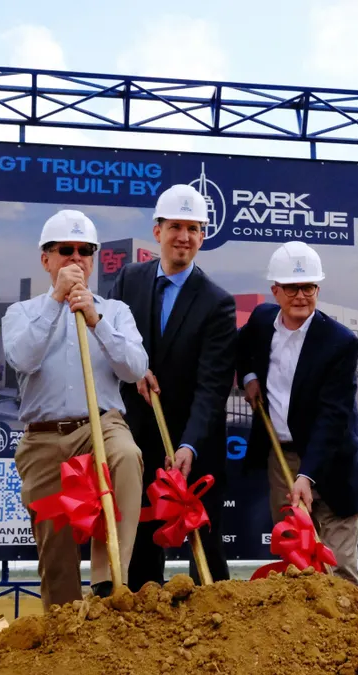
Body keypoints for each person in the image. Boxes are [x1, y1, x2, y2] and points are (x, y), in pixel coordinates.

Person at [2, 210, 147, 605]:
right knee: (56, 555)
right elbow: (22, 358)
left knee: (126, 457)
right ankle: (62, 628)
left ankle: (109, 579)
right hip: (43, 438)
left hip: (100, 425)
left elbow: (134, 369)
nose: (76, 258)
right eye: (66, 250)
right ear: (46, 259)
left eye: (86, 251)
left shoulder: (116, 312)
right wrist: (55, 303)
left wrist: (97, 321)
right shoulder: (22, 313)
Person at [107, 183, 236, 589]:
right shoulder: (129, 279)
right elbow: (107, 341)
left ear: (203, 236)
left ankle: (218, 634)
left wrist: (189, 445)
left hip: (192, 445)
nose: (184, 236)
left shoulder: (217, 302)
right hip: (136, 439)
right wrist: (133, 370)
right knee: (142, 548)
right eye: (176, 226)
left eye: (194, 228)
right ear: (157, 230)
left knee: (206, 549)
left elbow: (212, 385)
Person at [236, 241, 358, 586]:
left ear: (318, 289)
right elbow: (242, 347)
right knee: (298, 566)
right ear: (276, 291)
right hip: (283, 458)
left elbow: (333, 416)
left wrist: (307, 476)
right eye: (293, 288)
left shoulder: (339, 342)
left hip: (334, 462)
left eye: (308, 287)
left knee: (339, 569)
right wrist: (249, 376)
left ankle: (351, 637)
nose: (301, 295)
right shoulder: (263, 319)